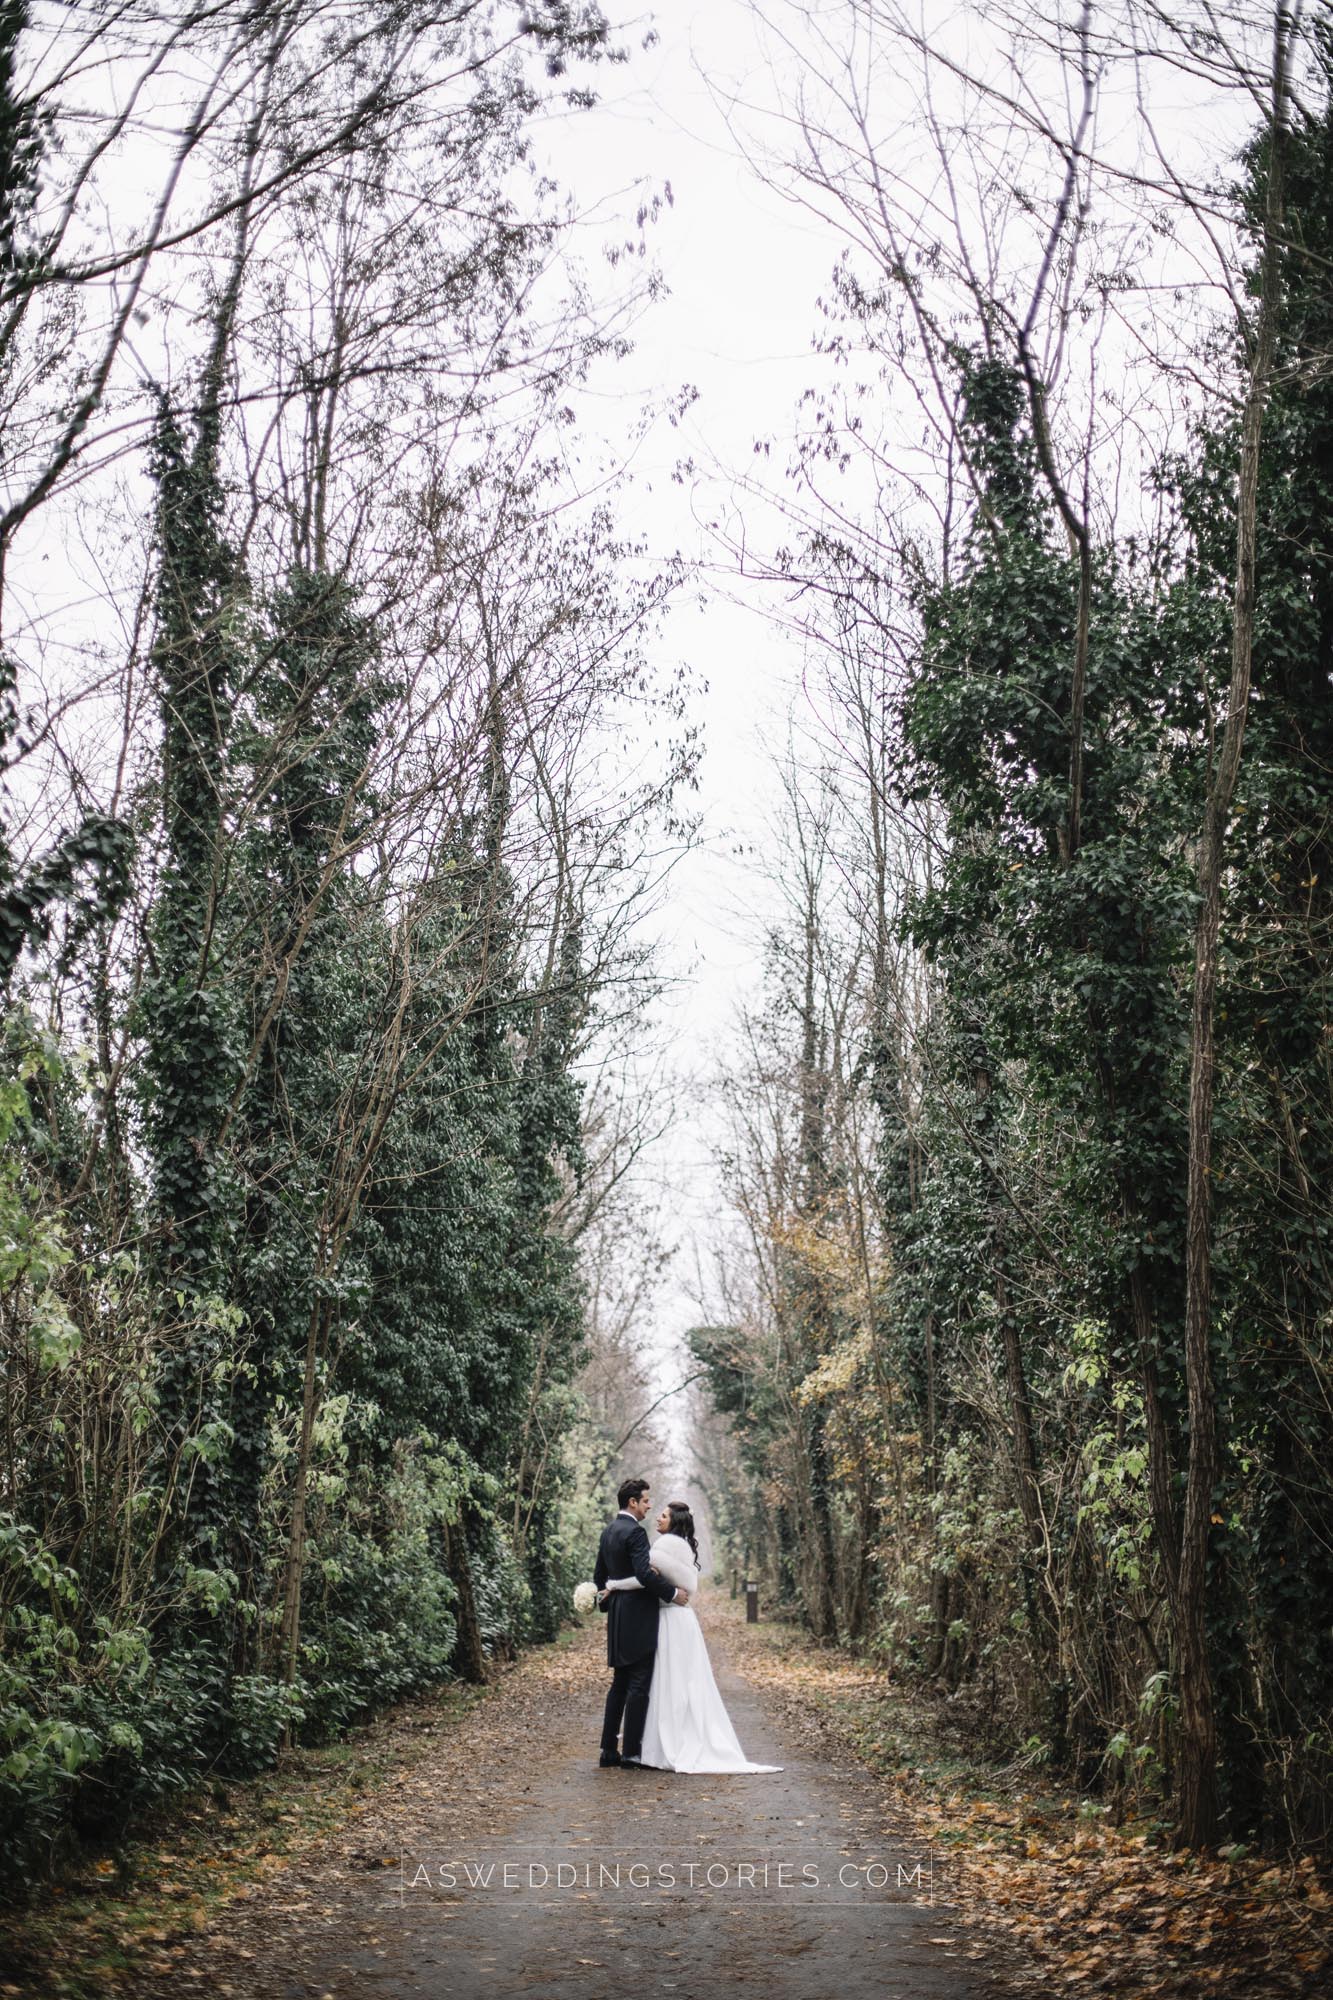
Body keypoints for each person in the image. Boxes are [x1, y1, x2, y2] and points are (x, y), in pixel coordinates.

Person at [601, 1499, 781, 1774]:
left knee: (667, 1683)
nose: (658, 1518)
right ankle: (659, 1743)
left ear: (674, 1521)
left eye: (663, 1515)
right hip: (677, 1619)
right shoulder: (679, 1544)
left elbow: (643, 1577)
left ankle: (661, 1745)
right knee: (679, 1683)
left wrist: (613, 1585)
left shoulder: (665, 1546)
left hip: (669, 1619)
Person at [593, 1478, 690, 1768]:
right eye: (646, 1500)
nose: (649, 1505)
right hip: (639, 1616)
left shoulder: (608, 1531)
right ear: (632, 1502)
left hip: (618, 1615)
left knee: (619, 1684)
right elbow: (644, 1575)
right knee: (638, 1684)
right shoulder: (635, 1533)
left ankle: (608, 1750)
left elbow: (600, 1576)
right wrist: (673, 1593)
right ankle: (632, 1752)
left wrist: (610, 1600)